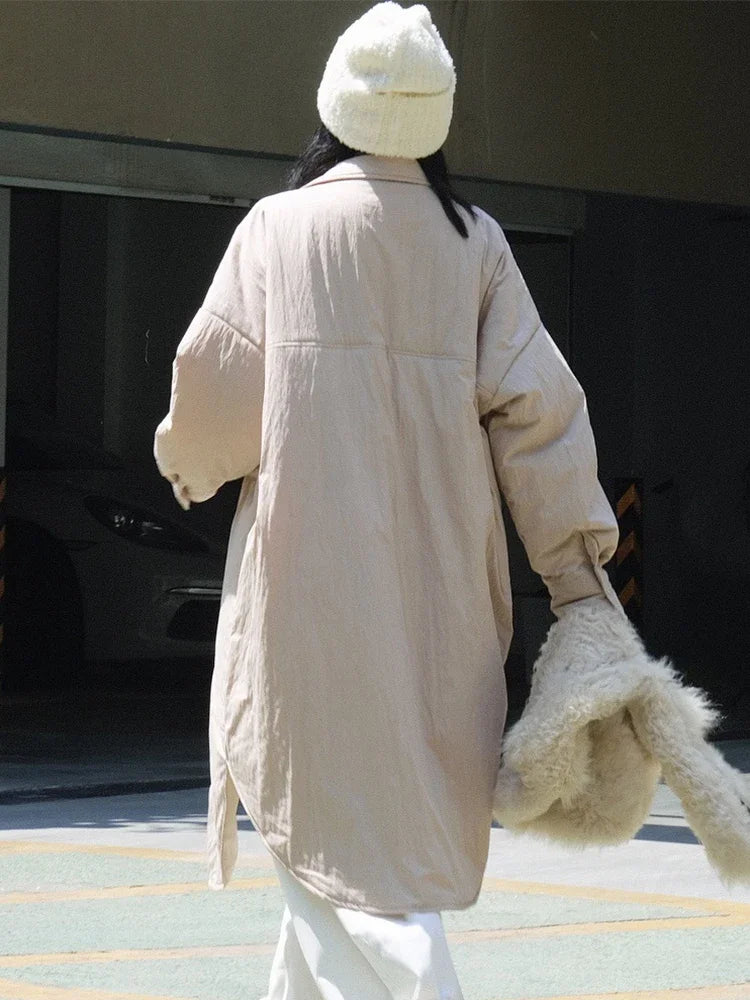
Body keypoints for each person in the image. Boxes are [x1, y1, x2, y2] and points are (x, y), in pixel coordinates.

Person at [153, 2, 625, 995]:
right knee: (361, 858)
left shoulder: (280, 230)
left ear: (335, 104)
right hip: (440, 608)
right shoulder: (475, 245)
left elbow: (212, 398)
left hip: (304, 603)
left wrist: (188, 465)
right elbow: (543, 418)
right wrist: (577, 577)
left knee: (350, 880)